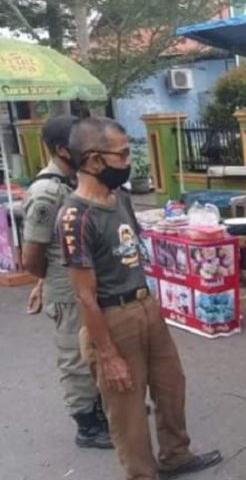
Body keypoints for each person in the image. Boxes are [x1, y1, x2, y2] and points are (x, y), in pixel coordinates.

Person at [58, 117, 221, 480]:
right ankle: (141, 474)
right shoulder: (75, 217)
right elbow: (85, 296)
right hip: (112, 318)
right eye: (124, 153)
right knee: (127, 410)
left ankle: (176, 455)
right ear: (94, 160)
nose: (129, 161)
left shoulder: (121, 199)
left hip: (146, 307)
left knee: (171, 385)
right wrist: (108, 354)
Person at [21, 115, 113, 449]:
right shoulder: (46, 192)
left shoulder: (75, 181)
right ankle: (87, 424)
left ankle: (104, 409)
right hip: (66, 288)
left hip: (87, 281)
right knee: (76, 355)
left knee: (96, 348)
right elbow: (31, 257)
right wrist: (47, 282)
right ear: (63, 149)